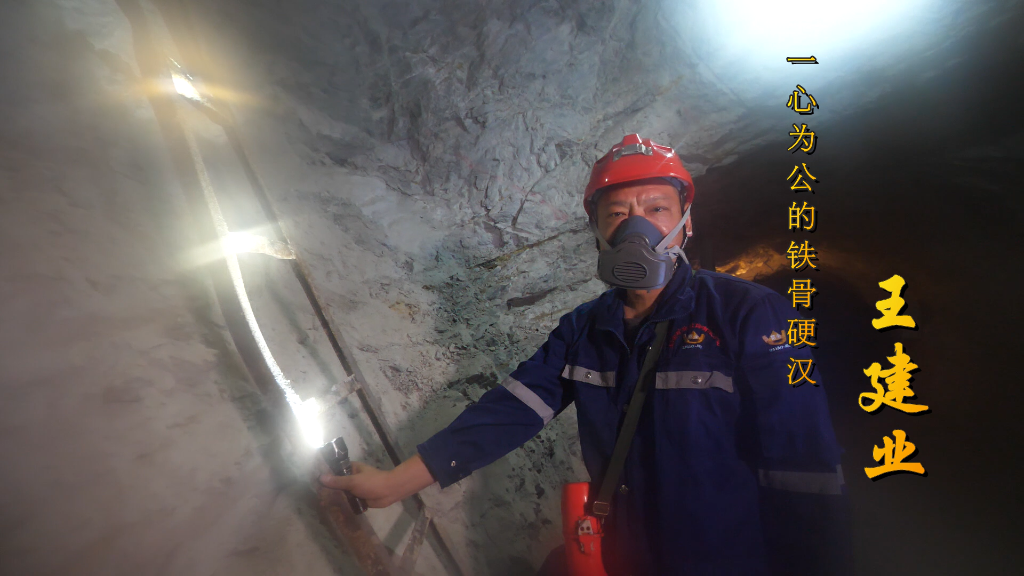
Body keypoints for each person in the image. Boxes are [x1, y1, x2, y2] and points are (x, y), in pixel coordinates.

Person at [318, 134, 850, 575]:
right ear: (596, 230)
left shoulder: (748, 313)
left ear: (686, 222)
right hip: (628, 556)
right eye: (617, 213)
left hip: (727, 559)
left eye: (656, 209)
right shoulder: (585, 328)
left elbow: (802, 466)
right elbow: (510, 412)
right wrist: (395, 483)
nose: (637, 227)